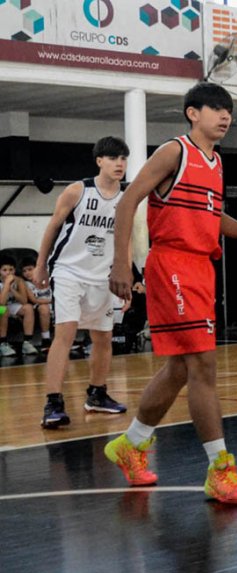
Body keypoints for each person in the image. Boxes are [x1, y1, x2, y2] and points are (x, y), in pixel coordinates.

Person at [107, 82, 237, 505]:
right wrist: (121, 263)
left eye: (229, 110)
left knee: (180, 369)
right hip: (173, 266)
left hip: (200, 268)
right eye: (216, 108)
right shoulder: (174, 152)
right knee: (202, 365)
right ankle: (220, 470)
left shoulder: (215, 162)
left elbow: (212, 216)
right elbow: (127, 202)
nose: (225, 116)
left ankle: (132, 443)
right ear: (192, 113)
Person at [31, 137, 130, 428]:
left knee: (103, 337)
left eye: (123, 159)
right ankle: (53, 402)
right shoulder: (78, 190)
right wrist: (40, 265)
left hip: (104, 275)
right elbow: (53, 227)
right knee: (66, 333)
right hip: (68, 271)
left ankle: (97, 394)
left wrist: (127, 275)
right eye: (113, 158)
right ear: (99, 161)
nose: (119, 164)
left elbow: (125, 239)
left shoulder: (127, 197)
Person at [0, 257, 38, 357]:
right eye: (4, 270)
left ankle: (27, 342)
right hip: (1, 307)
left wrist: (12, 290)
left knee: (28, 308)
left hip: (12, 305)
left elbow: (24, 300)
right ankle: (2, 343)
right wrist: (6, 284)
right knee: (4, 309)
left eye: (11, 270)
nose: (8, 273)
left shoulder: (19, 280)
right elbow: (2, 302)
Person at [20, 259, 53, 351]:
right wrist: (51, 301)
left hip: (55, 304)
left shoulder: (48, 279)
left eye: (30, 269)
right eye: (24, 271)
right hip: (40, 306)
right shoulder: (26, 284)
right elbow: (34, 300)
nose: (27, 273)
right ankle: (46, 339)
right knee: (44, 308)